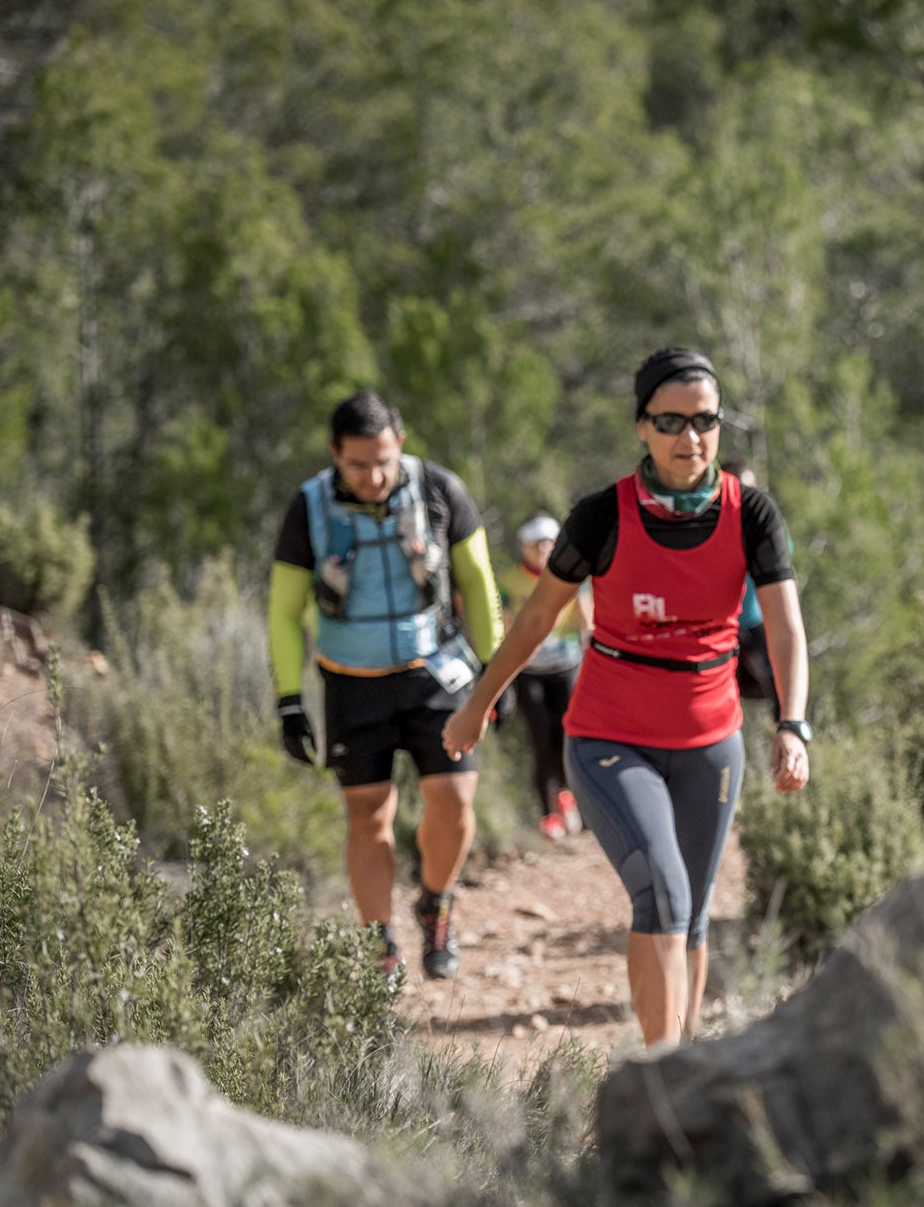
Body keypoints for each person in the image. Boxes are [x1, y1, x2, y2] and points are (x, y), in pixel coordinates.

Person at [444, 347, 812, 1048]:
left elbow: (788, 625)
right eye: (670, 420)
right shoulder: (601, 516)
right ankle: (662, 1077)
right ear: (641, 426)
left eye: (704, 420)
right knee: (664, 898)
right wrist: (478, 701)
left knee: (693, 914)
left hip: (711, 742)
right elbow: (535, 617)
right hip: (613, 739)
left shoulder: (751, 513)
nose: (690, 436)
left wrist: (792, 724)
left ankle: (688, 1072)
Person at [269, 392, 504, 980]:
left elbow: (477, 583)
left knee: (454, 803)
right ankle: (380, 946)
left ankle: (435, 901)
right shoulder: (309, 506)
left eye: (384, 461)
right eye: (357, 465)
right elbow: (283, 610)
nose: (374, 477)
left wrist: (494, 676)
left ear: (400, 443)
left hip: (435, 674)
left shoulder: (438, 489)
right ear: (333, 455)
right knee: (368, 815)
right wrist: (289, 701)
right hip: (352, 686)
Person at [498, 513, 591, 840]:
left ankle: (575, 799)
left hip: (566, 667)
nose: (543, 552)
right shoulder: (510, 581)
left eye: (549, 545)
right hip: (529, 670)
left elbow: (586, 620)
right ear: (524, 548)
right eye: (536, 546)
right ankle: (548, 813)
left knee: (569, 736)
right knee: (541, 739)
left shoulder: (572, 575)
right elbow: (505, 626)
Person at [724, 463, 781, 719]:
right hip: (723, 627)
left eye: (749, 488)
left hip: (756, 621)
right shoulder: (706, 527)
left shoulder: (766, 527)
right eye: (737, 487)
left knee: (777, 683)